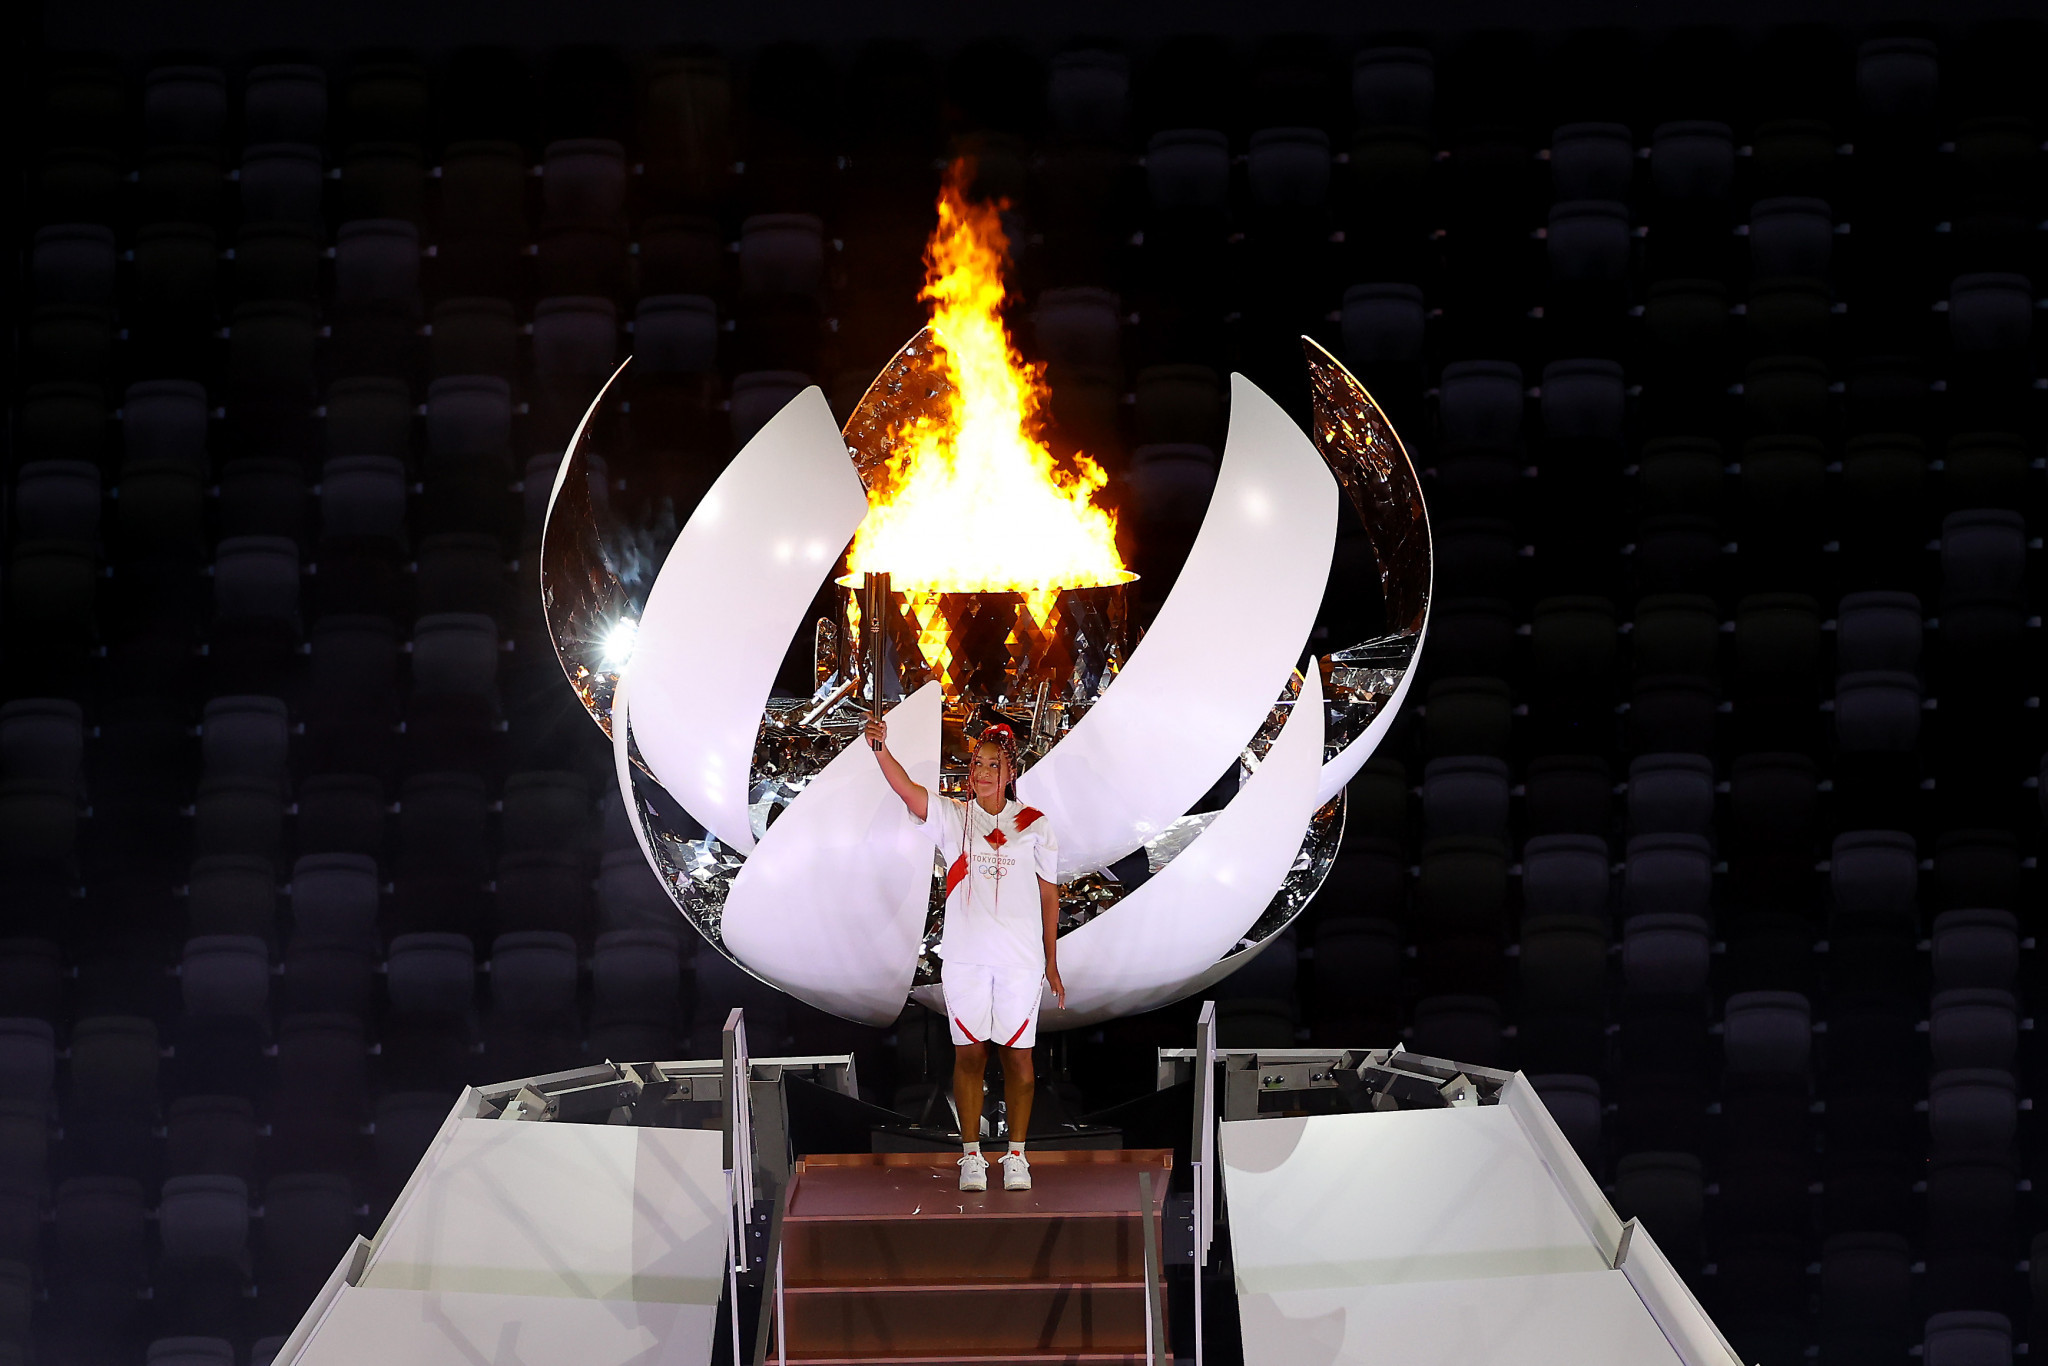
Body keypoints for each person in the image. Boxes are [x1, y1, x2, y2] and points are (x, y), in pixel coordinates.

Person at [866, 715, 1065, 1192]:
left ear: (1010, 771)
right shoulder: (954, 818)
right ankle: (972, 1156)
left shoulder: (1035, 825)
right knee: (969, 1055)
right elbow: (908, 791)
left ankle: (1017, 1155)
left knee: (1019, 1058)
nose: (981, 772)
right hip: (966, 959)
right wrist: (879, 751)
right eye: (977, 763)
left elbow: (1048, 895)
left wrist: (1052, 960)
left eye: (992, 765)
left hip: (1019, 961)